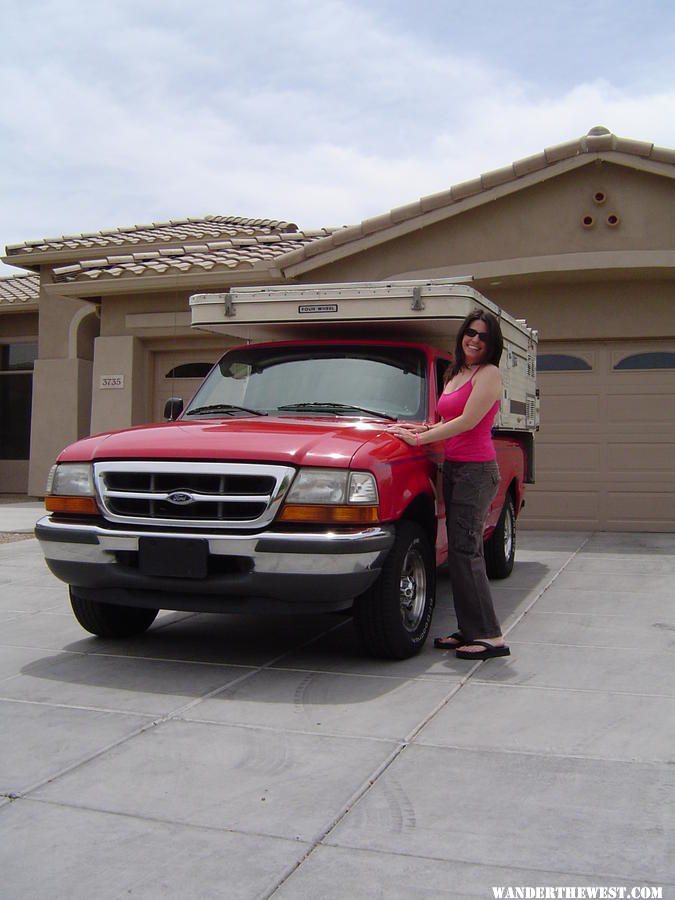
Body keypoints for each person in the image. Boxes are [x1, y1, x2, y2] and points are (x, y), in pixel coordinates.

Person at [389, 309, 510, 660]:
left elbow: (468, 422)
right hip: (455, 468)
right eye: (470, 333)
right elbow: (445, 418)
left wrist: (420, 441)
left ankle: (490, 636)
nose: (474, 340)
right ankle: (468, 630)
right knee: (457, 553)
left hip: (476, 471)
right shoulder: (456, 372)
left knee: (468, 552)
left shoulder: (489, 374)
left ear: (492, 343)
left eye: (483, 336)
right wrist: (420, 430)